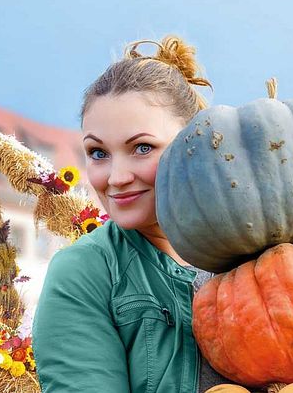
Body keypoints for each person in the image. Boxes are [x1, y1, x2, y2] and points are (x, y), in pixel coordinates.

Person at [32, 36, 232, 392]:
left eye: (142, 148)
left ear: (194, 144)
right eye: (98, 153)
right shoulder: (85, 271)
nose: (116, 177)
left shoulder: (247, 254)